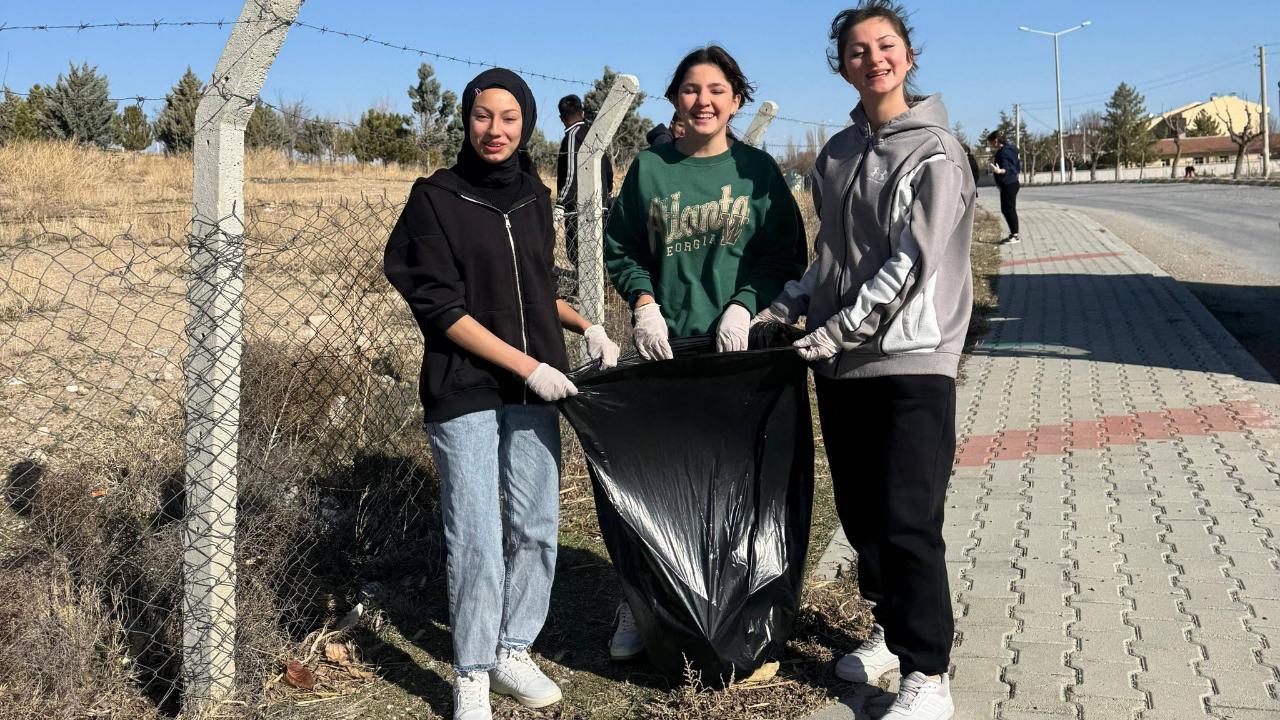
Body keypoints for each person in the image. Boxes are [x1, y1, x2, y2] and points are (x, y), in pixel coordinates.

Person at [754, 3, 974, 718]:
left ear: (909, 57)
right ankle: (888, 627)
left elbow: (913, 261)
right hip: (840, 362)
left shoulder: (935, 148)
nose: (873, 58)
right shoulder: (838, 153)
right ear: (841, 64)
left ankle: (929, 674)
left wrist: (839, 329)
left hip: (912, 356)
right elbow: (830, 258)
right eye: (857, 49)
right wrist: (787, 308)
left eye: (886, 46)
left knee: (910, 515)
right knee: (861, 515)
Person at [384, 68, 621, 720]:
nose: (495, 130)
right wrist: (528, 364)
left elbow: (532, 290)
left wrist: (587, 324)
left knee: (538, 526)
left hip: (532, 386)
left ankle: (514, 645)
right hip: (465, 385)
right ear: (466, 120)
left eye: (509, 118)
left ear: (527, 124)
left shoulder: (534, 197)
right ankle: (473, 673)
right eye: (483, 116)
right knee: (478, 536)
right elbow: (444, 310)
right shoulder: (434, 199)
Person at [602, 44, 807, 659]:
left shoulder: (758, 172)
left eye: (717, 89)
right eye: (691, 89)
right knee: (661, 482)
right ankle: (641, 605)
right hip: (669, 350)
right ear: (674, 100)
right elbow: (622, 247)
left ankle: (742, 607)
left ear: (737, 100)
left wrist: (747, 303)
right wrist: (642, 304)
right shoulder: (650, 170)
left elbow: (784, 254)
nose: (703, 100)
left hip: (742, 352)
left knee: (738, 485)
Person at [555, 94, 615, 277]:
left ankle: (588, 291)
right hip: (600, 203)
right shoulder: (594, 134)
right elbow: (608, 169)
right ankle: (600, 287)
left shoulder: (572, 137)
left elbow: (571, 174)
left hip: (578, 208)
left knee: (578, 253)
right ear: (582, 112)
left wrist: (560, 203)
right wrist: (607, 191)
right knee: (597, 251)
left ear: (561, 118)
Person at [987, 129, 1020, 244]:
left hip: (1009, 183)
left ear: (996, 141)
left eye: (991, 142)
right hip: (1009, 183)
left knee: (1009, 209)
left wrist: (999, 171)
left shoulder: (1004, 152)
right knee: (1006, 209)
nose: (991, 145)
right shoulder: (1009, 150)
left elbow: (1009, 168)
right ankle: (1013, 233)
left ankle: (1015, 235)